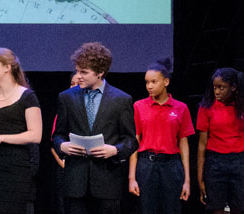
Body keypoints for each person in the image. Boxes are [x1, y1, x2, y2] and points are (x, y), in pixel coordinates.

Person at [53, 42, 137, 214]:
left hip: (107, 182)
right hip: (75, 182)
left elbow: (130, 140)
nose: (79, 76)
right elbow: (57, 135)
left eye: (84, 72)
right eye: (77, 71)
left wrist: (114, 150)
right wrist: (63, 146)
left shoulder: (121, 100)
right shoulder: (66, 98)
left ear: (100, 72)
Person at [0, 48, 43, 213]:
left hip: (16, 170)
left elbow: (35, 135)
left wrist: (0, 138)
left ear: (7, 67)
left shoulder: (27, 97)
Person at [128, 58, 194, 214]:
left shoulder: (181, 108)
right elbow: (135, 141)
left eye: (153, 82)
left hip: (171, 165)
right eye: (146, 82)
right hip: (147, 164)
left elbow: (184, 143)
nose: (149, 86)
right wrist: (132, 178)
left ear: (166, 82)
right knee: (146, 209)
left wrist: (187, 180)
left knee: (172, 209)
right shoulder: (139, 106)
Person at [196, 68, 244, 214]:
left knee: (239, 208)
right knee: (216, 208)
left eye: (221, 88)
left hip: (239, 162)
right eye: (215, 87)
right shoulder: (207, 107)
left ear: (233, 87)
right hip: (215, 163)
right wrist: (200, 179)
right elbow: (201, 145)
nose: (217, 92)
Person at [51, 73, 80, 214]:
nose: (73, 87)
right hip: (64, 167)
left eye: (78, 83)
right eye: (72, 83)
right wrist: (63, 164)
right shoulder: (63, 112)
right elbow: (54, 143)